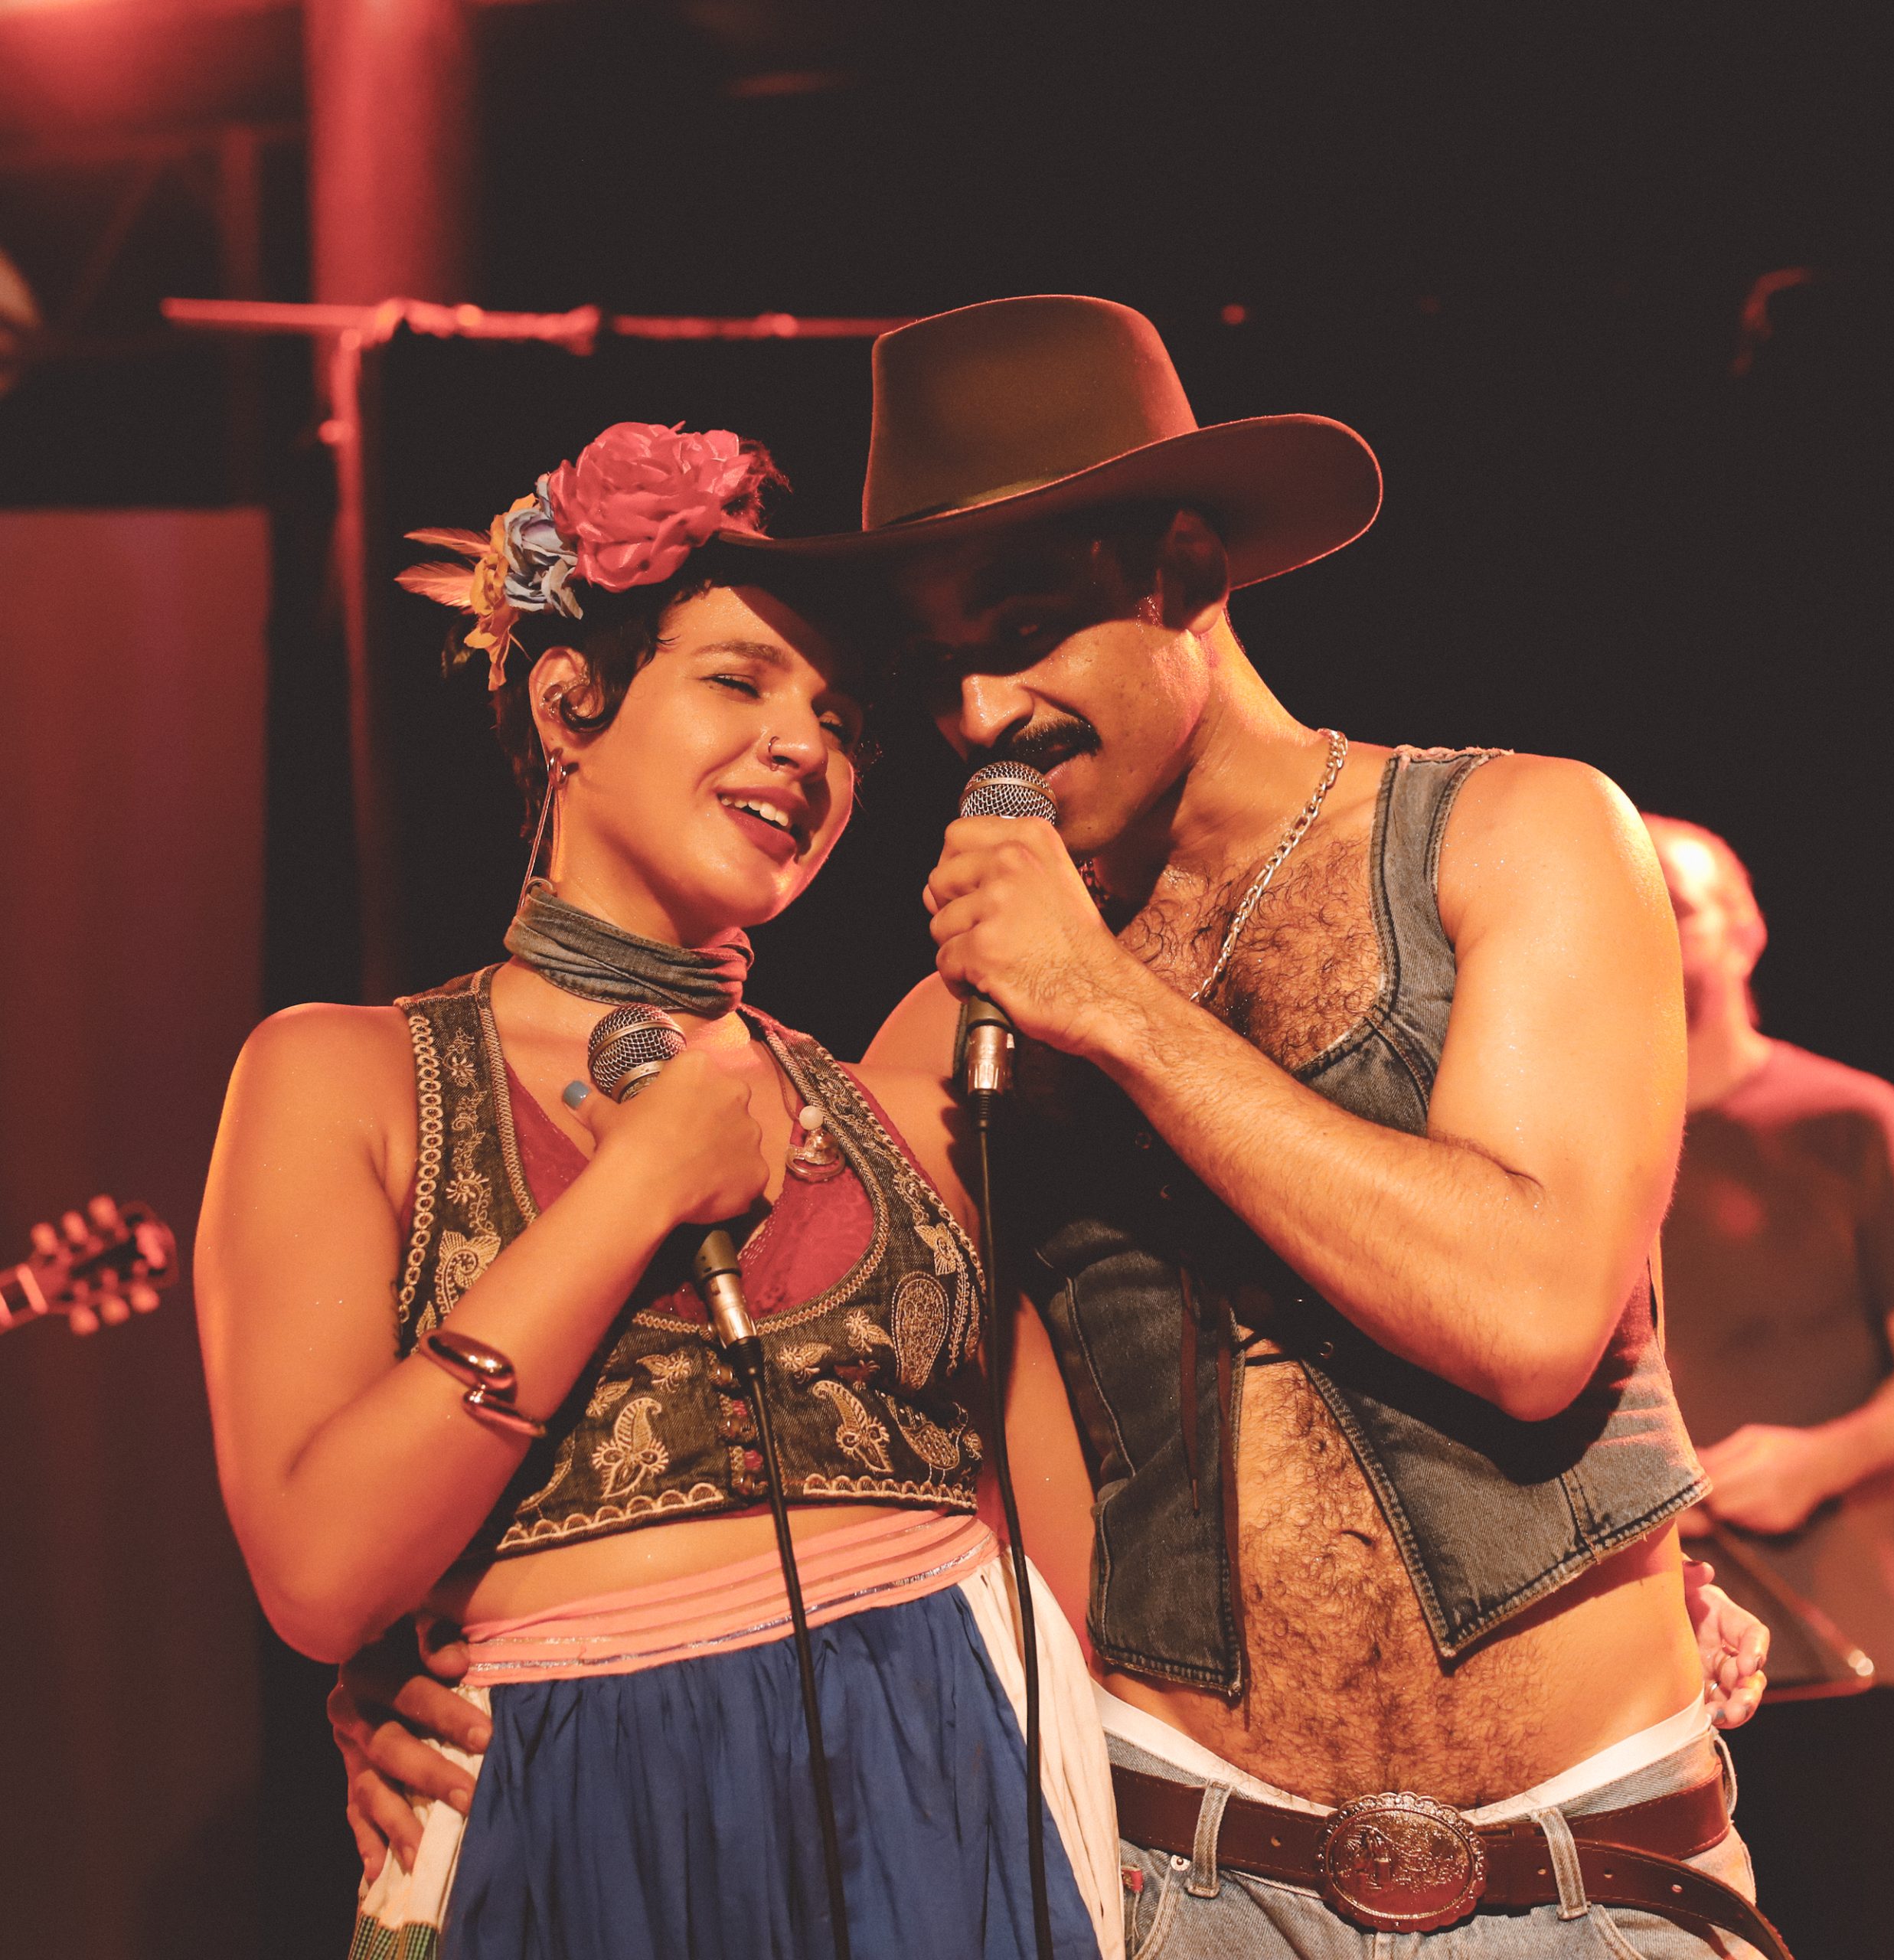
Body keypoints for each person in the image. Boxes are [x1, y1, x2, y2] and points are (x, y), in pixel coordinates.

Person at [334, 302, 1777, 1958]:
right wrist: (431, 1651)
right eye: (932, 671)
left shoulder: (1513, 834)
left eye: (1022, 630)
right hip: (1176, 1884)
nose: (975, 712)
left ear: (1182, 570)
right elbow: (771, 1424)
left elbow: (1527, 1317)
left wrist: (1107, 1003)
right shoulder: (951, 1027)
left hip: (1587, 1877)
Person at [196, 418, 1120, 1960]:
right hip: (566, 1828)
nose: (804, 747)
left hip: (949, 1803)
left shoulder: (906, 1102)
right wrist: (631, 1194)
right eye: (740, 681)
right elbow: (317, 1574)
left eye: (837, 720)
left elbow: (1049, 1545)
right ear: (570, 700)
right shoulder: (342, 1076)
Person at [1644, 812, 1894, 1959]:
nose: (1648, 927)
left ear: (1747, 929)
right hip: (1648, 1673)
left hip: (1837, 1663)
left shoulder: (1845, 1116)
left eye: (1676, 905)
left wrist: (1817, 1460)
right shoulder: (1587, 1144)